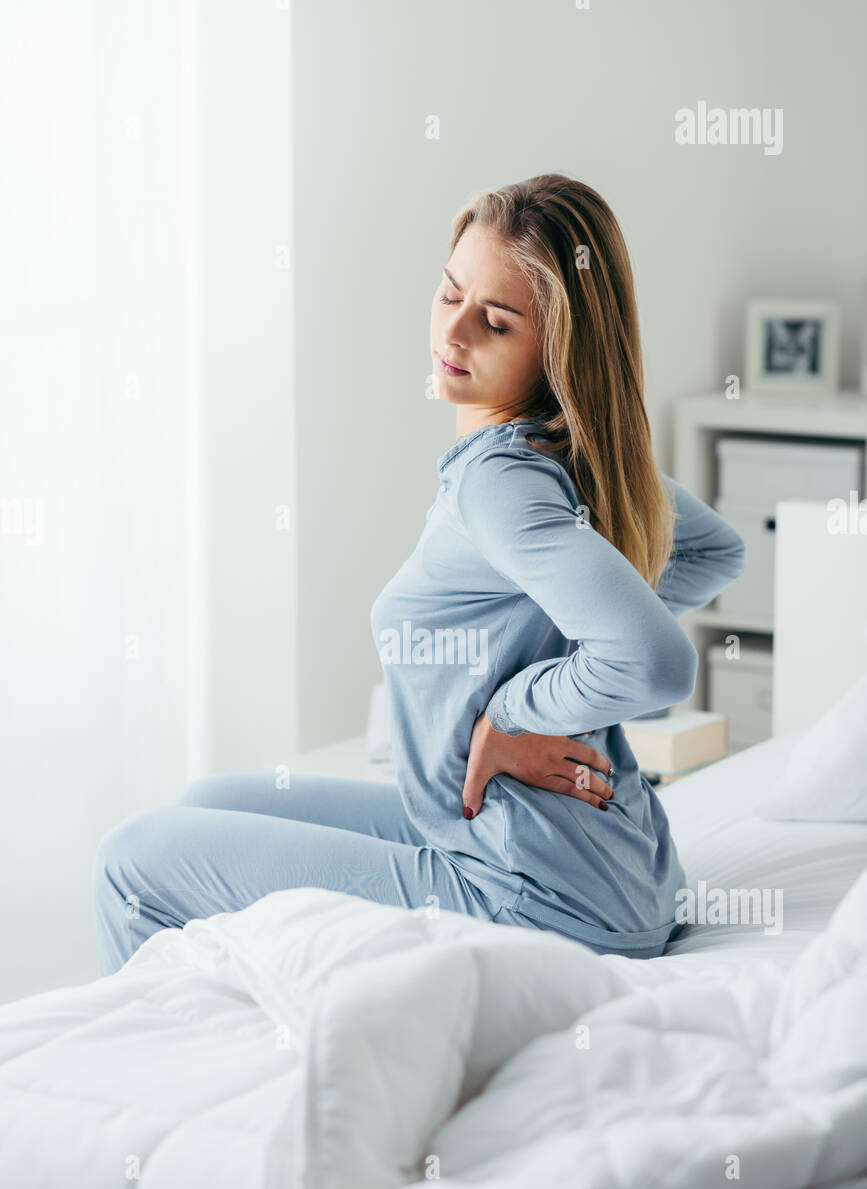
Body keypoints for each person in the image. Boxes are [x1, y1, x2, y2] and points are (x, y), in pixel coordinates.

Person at [94, 173, 745, 974]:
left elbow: (655, 662)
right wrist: (563, 672)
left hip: (532, 892)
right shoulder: (572, 453)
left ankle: (174, 1071)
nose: (455, 332)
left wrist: (513, 711)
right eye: (449, 294)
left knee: (132, 862)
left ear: (556, 349)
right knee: (201, 806)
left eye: (496, 321)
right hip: (602, 872)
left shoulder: (498, 482)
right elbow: (718, 553)